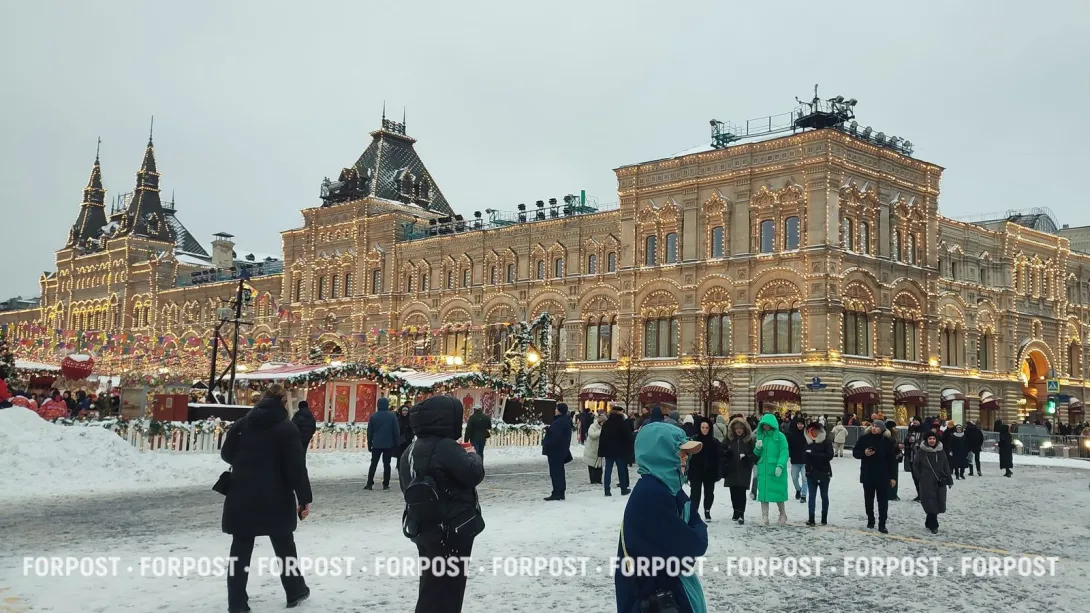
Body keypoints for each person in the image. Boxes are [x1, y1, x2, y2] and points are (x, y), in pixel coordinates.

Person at [220, 384, 312, 612]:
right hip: (276, 495)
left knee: (240, 548)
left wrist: (245, 462)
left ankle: (236, 603)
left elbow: (226, 454)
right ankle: (295, 590)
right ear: (283, 403)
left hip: (241, 493)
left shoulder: (242, 424)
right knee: (284, 544)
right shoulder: (287, 429)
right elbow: (296, 468)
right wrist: (304, 498)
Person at [399, 395, 485, 613]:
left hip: (423, 527)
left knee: (431, 585)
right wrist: (472, 455)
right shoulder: (446, 447)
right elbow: (474, 474)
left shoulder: (410, 450)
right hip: (452, 528)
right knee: (450, 588)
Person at [614, 422, 708, 613]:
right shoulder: (652, 493)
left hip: (669, 588)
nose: (685, 458)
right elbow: (693, 544)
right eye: (681, 452)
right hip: (656, 596)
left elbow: (693, 529)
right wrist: (694, 533)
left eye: (687, 454)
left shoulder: (669, 488)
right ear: (660, 454)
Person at [853, 420, 897, 533]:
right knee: (868, 500)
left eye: (877, 427)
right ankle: (870, 520)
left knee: (883, 501)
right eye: (873, 426)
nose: (874, 428)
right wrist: (864, 453)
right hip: (868, 474)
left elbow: (892, 461)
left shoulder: (887, 441)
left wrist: (893, 477)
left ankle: (882, 524)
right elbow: (855, 453)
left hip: (883, 476)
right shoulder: (864, 439)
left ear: (882, 429)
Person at [753, 413, 789, 526]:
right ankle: (765, 516)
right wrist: (757, 448)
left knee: (778, 492)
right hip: (763, 469)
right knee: (763, 493)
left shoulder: (781, 437)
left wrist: (780, 465)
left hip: (775, 469)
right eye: (764, 425)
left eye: (768, 424)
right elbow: (757, 454)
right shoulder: (761, 436)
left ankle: (782, 514)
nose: (766, 427)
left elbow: (784, 452)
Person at [913, 430, 952, 534]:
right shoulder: (921, 451)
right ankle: (934, 525)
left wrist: (949, 478)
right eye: (930, 439)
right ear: (926, 440)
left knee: (939, 501)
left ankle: (928, 521)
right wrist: (920, 477)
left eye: (934, 438)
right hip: (926, 481)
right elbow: (916, 466)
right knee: (930, 502)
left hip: (940, 480)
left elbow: (946, 464)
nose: (932, 440)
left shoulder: (941, 450)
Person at [720, 416, 755, 523]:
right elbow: (721, 451)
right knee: (733, 492)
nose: (739, 430)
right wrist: (726, 454)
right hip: (732, 469)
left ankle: (741, 513)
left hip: (744, 469)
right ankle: (735, 511)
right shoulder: (728, 440)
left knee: (742, 492)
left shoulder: (749, 441)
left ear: (744, 429)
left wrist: (747, 457)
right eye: (737, 428)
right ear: (733, 429)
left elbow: (755, 454)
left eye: (741, 428)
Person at [687, 419, 720, 521]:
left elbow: (718, 457)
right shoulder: (694, 440)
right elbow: (688, 456)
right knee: (695, 493)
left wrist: (718, 471)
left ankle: (707, 510)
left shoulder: (714, 442)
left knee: (709, 493)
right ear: (699, 428)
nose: (705, 430)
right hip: (696, 471)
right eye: (703, 427)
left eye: (707, 428)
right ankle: (694, 511)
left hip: (710, 472)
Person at [365, 396, 400, 490]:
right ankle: (385, 484)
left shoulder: (373, 416)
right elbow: (396, 431)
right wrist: (397, 443)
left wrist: (369, 444)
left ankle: (369, 483)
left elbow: (369, 432)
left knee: (373, 464)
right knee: (387, 464)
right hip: (389, 444)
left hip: (376, 444)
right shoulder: (392, 416)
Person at [803, 421, 834, 526]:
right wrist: (808, 456)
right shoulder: (808, 443)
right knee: (811, 497)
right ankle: (811, 518)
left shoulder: (826, 442)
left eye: (815, 430)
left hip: (824, 472)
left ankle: (824, 518)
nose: (813, 432)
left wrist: (814, 455)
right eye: (811, 430)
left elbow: (829, 455)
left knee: (824, 496)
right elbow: (804, 456)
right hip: (811, 473)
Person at [599, 407, 634, 496]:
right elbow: (628, 438)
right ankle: (623, 489)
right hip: (620, 451)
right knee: (621, 470)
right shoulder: (622, 424)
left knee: (608, 470)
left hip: (608, 451)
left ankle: (607, 490)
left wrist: (601, 451)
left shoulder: (606, 424)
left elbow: (602, 438)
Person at [542, 403, 573, 501]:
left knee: (556, 472)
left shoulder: (559, 422)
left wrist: (548, 435)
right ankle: (559, 492)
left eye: (556, 409)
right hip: (560, 450)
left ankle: (557, 492)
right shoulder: (564, 420)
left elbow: (556, 437)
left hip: (556, 451)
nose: (555, 410)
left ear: (560, 410)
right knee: (558, 472)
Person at [786, 416, 809, 504]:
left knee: (804, 478)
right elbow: (788, 446)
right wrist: (790, 454)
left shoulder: (807, 435)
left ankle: (803, 495)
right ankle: (798, 489)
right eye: (798, 424)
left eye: (801, 424)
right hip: (795, 460)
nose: (800, 425)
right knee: (794, 478)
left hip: (805, 461)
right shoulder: (791, 434)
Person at [903, 417, 922, 501]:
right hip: (911, 456)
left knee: (921, 477)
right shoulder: (910, 430)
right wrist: (907, 441)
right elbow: (906, 441)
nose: (914, 422)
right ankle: (919, 494)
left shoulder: (924, 431)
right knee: (915, 476)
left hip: (921, 457)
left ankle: (923, 494)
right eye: (913, 420)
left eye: (916, 420)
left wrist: (917, 443)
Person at [584, 412, 605, 484]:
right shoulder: (593, 426)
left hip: (599, 449)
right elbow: (591, 435)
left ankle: (598, 479)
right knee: (591, 465)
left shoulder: (604, 427)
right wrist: (600, 431)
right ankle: (593, 480)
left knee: (599, 466)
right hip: (592, 449)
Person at [397, 403, 414, 467]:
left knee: (407, 454)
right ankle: (399, 466)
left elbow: (412, 429)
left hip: (408, 440)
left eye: (406, 411)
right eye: (403, 411)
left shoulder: (410, 419)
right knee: (400, 454)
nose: (404, 412)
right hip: (400, 440)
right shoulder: (398, 419)